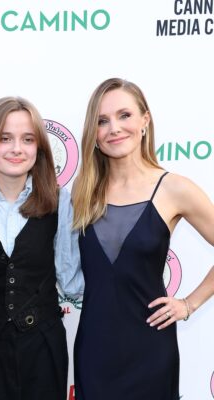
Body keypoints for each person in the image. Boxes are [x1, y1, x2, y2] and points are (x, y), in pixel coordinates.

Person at [71, 77, 214, 399]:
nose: (114, 128)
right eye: (102, 121)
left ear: (144, 121)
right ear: (93, 133)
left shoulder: (175, 189)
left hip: (151, 349)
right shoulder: (83, 190)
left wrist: (189, 304)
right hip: (94, 349)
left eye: (124, 115)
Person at [0, 96, 83, 400]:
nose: (17, 148)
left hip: (43, 349)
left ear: (39, 148)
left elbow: (71, 279)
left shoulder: (59, 201)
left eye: (27, 139)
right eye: (5, 138)